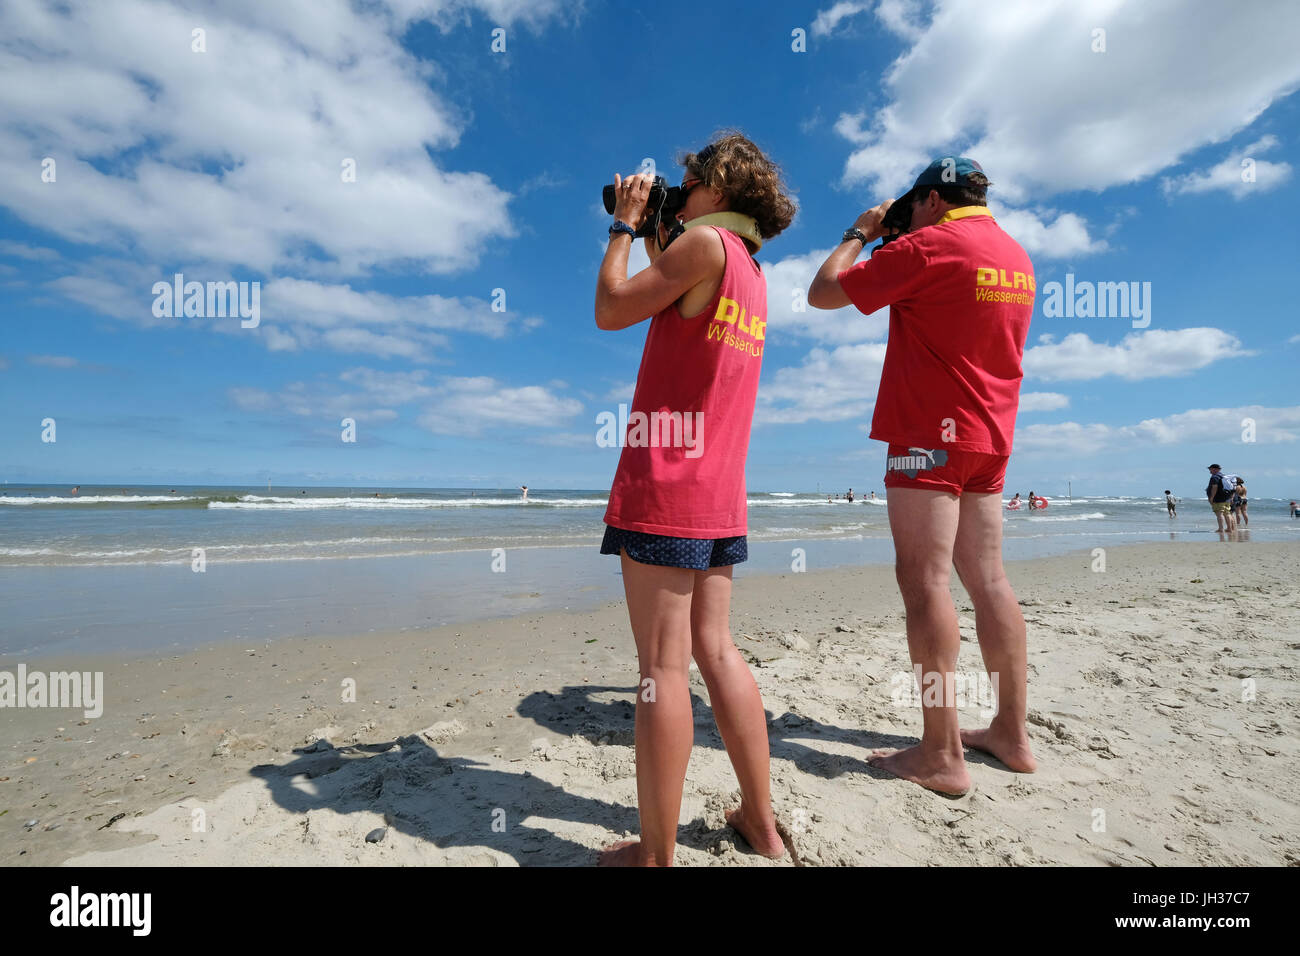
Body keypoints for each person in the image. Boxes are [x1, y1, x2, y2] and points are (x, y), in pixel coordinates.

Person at [594, 131, 796, 865]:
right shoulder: (743, 266)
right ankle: (763, 823)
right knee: (717, 650)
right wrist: (656, 234)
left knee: (662, 670)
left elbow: (612, 308)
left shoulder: (703, 249)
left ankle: (654, 857)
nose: (680, 187)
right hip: (716, 491)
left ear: (719, 189)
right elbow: (676, 300)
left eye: (692, 180)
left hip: (666, 488)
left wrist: (622, 228)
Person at [807, 156, 1037, 795]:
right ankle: (1012, 733)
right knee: (989, 580)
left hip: (926, 437)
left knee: (924, 582)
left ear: (933, 201)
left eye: (912, 209)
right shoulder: (1016, 256)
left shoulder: (932, 245)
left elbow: (823, 291)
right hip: (991, 437)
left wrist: (861, 232)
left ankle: (941, 753)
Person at [1205, 464, 1234, 532]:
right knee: (1227, 513)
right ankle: (1229, 528)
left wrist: (1212, 497)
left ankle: (1221, 529)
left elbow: (1215, 487)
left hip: (1219, 498)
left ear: (1215, 469)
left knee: (1219, 513)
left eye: (1210, 469)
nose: (1209, 470)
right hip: (1226, 498)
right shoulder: (1223, 476)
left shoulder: (1215, 477)